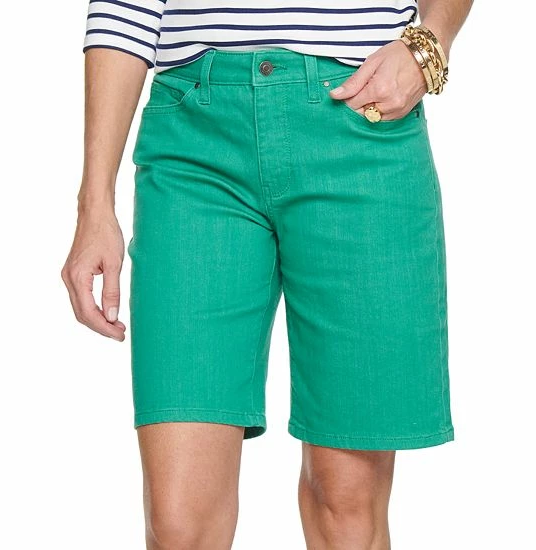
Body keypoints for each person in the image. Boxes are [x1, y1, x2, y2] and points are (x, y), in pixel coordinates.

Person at [61, 1, 473, 548]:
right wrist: (94, 204)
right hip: (195, 143)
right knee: (179, 525)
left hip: (360, 121)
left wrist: (430, 43)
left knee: (345, 505)